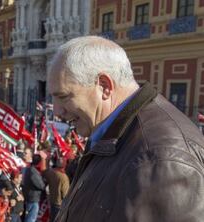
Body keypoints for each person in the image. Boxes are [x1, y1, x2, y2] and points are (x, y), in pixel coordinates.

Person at [48, 36, 204, 221]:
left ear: (104, 87)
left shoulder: (160, 157)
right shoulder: (116, 133)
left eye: (64, 96)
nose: (57, 111)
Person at [42, 157, 69, 222]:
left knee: (52, 218)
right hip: (59, 203)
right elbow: (65, 194)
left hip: (51, 200)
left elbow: (44, 174)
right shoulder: (64, 177)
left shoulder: (50, 172)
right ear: (65, 165)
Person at [23, 154, 45, 222]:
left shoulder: (28, 169)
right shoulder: (33, 172)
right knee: (31, 218)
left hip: (29, 196)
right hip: (32, 198)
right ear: (39, 163)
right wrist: (44, 184)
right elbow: (41, 185)